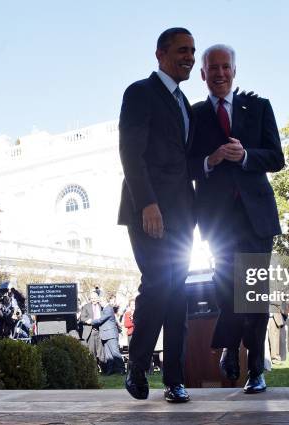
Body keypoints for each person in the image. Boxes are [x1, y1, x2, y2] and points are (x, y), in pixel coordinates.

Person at [188, 44, 284, 394]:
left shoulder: (258, 107)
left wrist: (245, 156)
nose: (219, 73)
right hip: (216, 221)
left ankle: (256, 369)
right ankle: (229, 343)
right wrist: (209, 161)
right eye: (212, 67)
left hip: (256, 216)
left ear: (234, 70)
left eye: (225, 66)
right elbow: (186, 164)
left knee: (254, 293)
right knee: (226, 288)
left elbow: (276, 157)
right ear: (203, 74)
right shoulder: (194, 114)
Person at [117, 27, 196, 403]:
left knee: (178, 293)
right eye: (183, 50)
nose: (190, 58)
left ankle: (175, 380)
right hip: (147, 210)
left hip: (183, 216)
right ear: (161, 54)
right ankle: (137, 364)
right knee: (158, 284)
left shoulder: (185, 104)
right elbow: (131, 153)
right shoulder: (139, 93)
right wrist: (148, 203)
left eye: (192, 52)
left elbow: (185, 160)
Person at [86, 295, 125, 375]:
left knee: (115, 353)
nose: (100, 303)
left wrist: (91, 321)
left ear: (104, 301)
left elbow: (101, 320)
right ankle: (110, 371)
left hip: (111, 335)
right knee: (108, 355)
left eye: (100, 301)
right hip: (105, 335)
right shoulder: (105, 308)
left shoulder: (108, 308)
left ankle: (122, 370)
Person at [80, 291, 105, 368]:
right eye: (92, 298)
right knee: (92, 352)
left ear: (98, 298)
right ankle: (94, 369)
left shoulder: (102, 306)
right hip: (90, 332)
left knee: (101, 352)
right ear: (90, 299)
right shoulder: (86, 306)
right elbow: (82, 318)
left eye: (95, 298)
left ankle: (104, 369)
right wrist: (88, 320)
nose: (93, 299)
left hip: (100, 331)